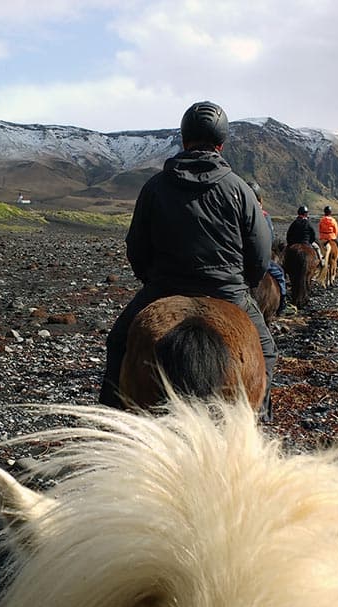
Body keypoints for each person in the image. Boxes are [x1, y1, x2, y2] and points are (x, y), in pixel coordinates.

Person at [99, 101, 277, 419]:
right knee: (266, 351)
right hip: (228, 291)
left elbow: (136, 248)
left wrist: (152, 280)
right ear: (221, 144)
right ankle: (259, 421)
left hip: (164, 288)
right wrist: (242, 285)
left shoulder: (154, 187)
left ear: (183, 139)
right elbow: (261, 254)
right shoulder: (240, 190)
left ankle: (112, 419)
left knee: (118, 343)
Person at [248, 182, 294, 316]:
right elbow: (269, 237)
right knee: (279, 274)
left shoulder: (237, 211)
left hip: (239, 257)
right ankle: (282, 304)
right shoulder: (264, 215)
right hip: (259, 257)